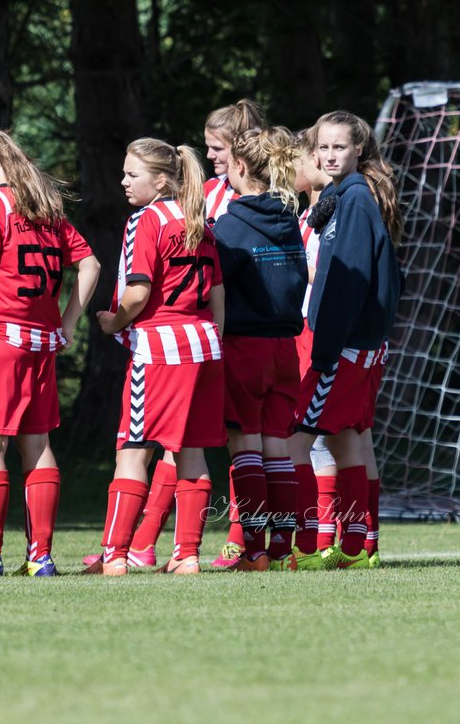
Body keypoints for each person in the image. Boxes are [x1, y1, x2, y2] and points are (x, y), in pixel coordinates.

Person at [0, 128, 100, 578]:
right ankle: (40, 557)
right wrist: (68, 322)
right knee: (38, 446)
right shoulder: (45, 206)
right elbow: (90, 263)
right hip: (40, 344)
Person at [87, 139, 225, 576]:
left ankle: (115, 556)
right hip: (205, 344)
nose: (123, 182)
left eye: (133, 174)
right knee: (192, 453)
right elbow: (218, 295)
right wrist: (213, 336)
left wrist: (113, 321)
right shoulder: (200, 219)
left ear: (161, 180)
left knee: (131, 448)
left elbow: (139, 290)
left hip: (160, 346)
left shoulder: (145, 220)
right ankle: (187, 554)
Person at [293, 110, 402, 570]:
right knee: (347, 440)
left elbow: (348, 281)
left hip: (342, 344)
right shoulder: (345, 197)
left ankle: (300, 544)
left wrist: (326, 345)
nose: (330, 154)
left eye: (340, 146)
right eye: (324, 147)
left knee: (296, 439)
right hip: (357, 344)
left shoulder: (356, 200)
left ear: (359, 150)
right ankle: (359, 548)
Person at [212, 127, 308, 571]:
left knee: (245, 447)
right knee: (279, 450)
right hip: (285, 349)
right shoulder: (289, 219)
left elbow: (212, 284)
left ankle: (252, 549)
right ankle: (282, 546)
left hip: (245, 347)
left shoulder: (229, 225)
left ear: (242, 167)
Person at [203, 98, 267, 569]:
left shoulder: (268, 195)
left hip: (251, 330)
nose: (211, 156)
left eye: (217, 147)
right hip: (214, 329)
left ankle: (250, 536)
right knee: (238, 437)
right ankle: (257, 539)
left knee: (253, 437)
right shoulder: (207, 193)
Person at [288, 127, 339, 565]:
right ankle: (324, 537)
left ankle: (318, 538)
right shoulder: (307, 214)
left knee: (310, 438)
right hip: (301, 330)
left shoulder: (332, 211)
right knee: (313, 438)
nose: (290, 170)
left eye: (296, 162)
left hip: (316, 332)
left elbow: (323, 273)